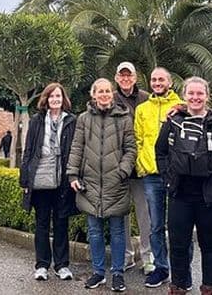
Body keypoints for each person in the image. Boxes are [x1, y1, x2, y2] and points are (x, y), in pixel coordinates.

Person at [156, 77, 212, 295]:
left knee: (210, 244)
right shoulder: (173, 121)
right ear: (184, 96)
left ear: (207, 95)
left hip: (211, 197)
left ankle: (209, 288)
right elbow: (161, 151)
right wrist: (168, 178)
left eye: (199, 93)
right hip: (180, 195)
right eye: (191, 93)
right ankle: (178, 286)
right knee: (178, 245)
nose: (195, 98)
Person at [67, 78, 137, 292]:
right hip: (90, 183)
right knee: (94, 231)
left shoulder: (124, 119)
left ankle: (117, 273)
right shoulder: (84, 119)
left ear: (112, 94)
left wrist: (123, 171)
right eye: (100, 91)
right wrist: (72, 174)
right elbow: (77, 147)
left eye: (108, 91)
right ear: (93, 94)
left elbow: (131, 149)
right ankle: (98, 272)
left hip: (116, 183)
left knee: (117, 231)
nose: (105, 94)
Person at [19, 82, 78, 282]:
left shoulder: (71, 120)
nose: (55, 99)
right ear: (46, 99)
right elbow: (28, 150)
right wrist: (25, 178)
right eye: (52, 96)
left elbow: (75, 149)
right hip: (40, 177)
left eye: (58, 96)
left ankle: (62, 265)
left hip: (62, 178)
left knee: (61, 222)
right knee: (42, 223)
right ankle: (42, 265)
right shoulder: (37, 120)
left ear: (63, 99)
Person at [133, 67, 184, 288]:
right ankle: (161, 268)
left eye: (161, 79)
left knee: (179, 224)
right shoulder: (143, 109)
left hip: (177, 175)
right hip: (151, 175)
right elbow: (137, 139)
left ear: (169, 82)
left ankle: (182, 273)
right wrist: (141, 164)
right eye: (153, 79)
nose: (157, 82)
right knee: (155, 225)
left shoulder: (182, 106)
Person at [113, 61, 153, 273]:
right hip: (120, 167)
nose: (126, 79)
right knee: (122, 214)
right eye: (122, 75)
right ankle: (127, 256)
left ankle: (147, 257)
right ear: (117, 78)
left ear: (135, 78)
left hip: (141, 168)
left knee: (144, 214)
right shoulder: (110, 98)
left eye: (129, 75)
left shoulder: (146, 98)